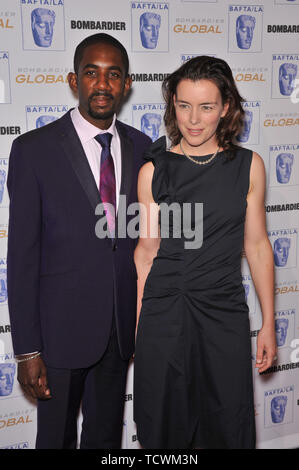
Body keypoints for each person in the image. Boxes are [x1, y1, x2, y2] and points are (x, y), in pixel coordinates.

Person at [7, 33, 151, 449]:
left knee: (105, 439)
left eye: (113, 75)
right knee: (55, 439)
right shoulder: (33, 150)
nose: (102, 84)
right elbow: (22, 257)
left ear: (127, 84)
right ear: (74, 80)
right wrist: (28, 350)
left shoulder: (144, 150)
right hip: (57, 336)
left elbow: (145, 246)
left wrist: (143, 325)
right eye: (91, 73)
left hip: (120, 332)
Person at [133, 56, 277, 449]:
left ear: (226, 107)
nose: (193, 119)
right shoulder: (153, 171)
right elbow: (146, 253)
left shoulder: (249, 166)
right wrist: (139, 327)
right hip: (165, 313)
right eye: (184, 105)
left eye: (207, 106)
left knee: (228, 422)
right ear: (172, 105)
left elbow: (258, 246)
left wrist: (267, 323)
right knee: (164, 425)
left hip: (223, 311)